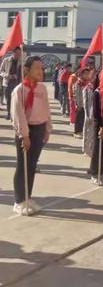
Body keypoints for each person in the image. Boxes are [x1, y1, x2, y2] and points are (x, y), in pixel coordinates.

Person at [11, 56, 52, 215]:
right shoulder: (20, 90)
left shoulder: (42, 88)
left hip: (39, 129)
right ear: (27, 70)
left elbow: (46, 109)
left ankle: (28, 197)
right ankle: (19, 200)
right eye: (37, 68)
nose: (40, 71)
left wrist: (48, 129)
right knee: (23, 166)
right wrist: (24, 136)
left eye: (41, 68)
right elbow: (18, 115)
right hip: (26, 131)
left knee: (32, 165)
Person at [0, 47, 22, 120]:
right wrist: (8, 76)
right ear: (13, 53)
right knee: (8, 99)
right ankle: (9, 113)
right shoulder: (6, 60)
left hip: (17, 84)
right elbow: (1, 71)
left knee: (16, 100)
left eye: (19, 53)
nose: (18, 54)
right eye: (17, 53)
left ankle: (14, 114)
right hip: (7, 83)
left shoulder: (21, 61)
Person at [73, 68, 90, 138]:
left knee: (83, 118)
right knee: (78, 118)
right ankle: (77, 132)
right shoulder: (78, 83)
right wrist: (78, 104)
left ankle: (81, 130)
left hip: (85, 103)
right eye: (85, 74)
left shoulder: (87, 82)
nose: (87, 75)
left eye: (88, 74)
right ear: (82, 74)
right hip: (80, 104)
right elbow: (77, 94)